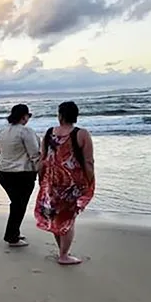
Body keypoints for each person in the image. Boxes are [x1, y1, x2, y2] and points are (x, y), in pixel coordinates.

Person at [34, 101, 95, 265]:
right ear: (76, 116)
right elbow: (88, 162)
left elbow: (42, 160)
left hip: (52, 182)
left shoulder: (48, 133)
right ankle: (64, 255)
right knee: (68, 219)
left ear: (60, 115)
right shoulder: (82, 134)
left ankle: (62, 250)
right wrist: (90, 181)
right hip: (72, 184)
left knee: (56, 217)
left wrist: (41, 180)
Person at [0, 104, 40, 247]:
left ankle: (14, 232)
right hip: (22, 174)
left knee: (16, 204)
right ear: (23, 116)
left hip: (4, 174)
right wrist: (41, 173)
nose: (28, 119)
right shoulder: (26, 132)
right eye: (28, 116)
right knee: (19, 205)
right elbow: (35, 155)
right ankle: (11, 236)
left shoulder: (2, 131)